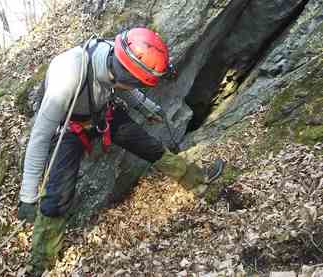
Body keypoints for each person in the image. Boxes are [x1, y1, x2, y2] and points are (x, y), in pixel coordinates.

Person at [17, 27, 224, 275]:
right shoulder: (68, 77)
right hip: (70, 127)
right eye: (133, 81)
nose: (133, 85)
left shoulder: (117, 57)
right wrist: (28, 196)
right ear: (122, 71)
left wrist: (148, 108)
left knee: (152, 148)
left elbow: (127, 87)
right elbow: (39, 137)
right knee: (56, 197)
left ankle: (197, 179)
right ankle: (40, 263)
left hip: (105, 115)